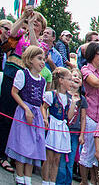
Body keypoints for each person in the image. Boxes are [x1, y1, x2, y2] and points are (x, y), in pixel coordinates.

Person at [6, 45, 48, 184]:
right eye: (39, 58)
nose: (42, 62)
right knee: (22, 145)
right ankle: (19, 176)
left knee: (33, 147)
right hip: (24, 113)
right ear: (30, 60)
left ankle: (28, 178)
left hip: (36, 115)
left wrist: (44, 116)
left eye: (44, 59)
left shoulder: (42, 80)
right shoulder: (23, 74)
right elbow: (14, 92)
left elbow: (41, 102)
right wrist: (25, 108)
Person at [41, 67, 74, 185]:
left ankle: (52, 182)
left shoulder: (69, 98)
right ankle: (45, 181)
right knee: (49, 157)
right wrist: (45, 118)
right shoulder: (51, 95)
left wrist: (74, 103)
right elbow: (44, 107)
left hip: (62, 128)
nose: (71, 82)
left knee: (57, 159)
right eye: (69, 79)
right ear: (61, 80)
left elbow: (69, 117)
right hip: (53, 125)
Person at [55, 69, 86, 185]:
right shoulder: (63, 95)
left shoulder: (82, 99)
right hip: (63, 131)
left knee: (70, 160)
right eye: (74, 76)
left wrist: (82, 134)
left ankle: (68, 182)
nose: (77, 78)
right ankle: (59, 182)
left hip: (75, 134)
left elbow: (83, 118)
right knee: (62, 160)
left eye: (79, 77)